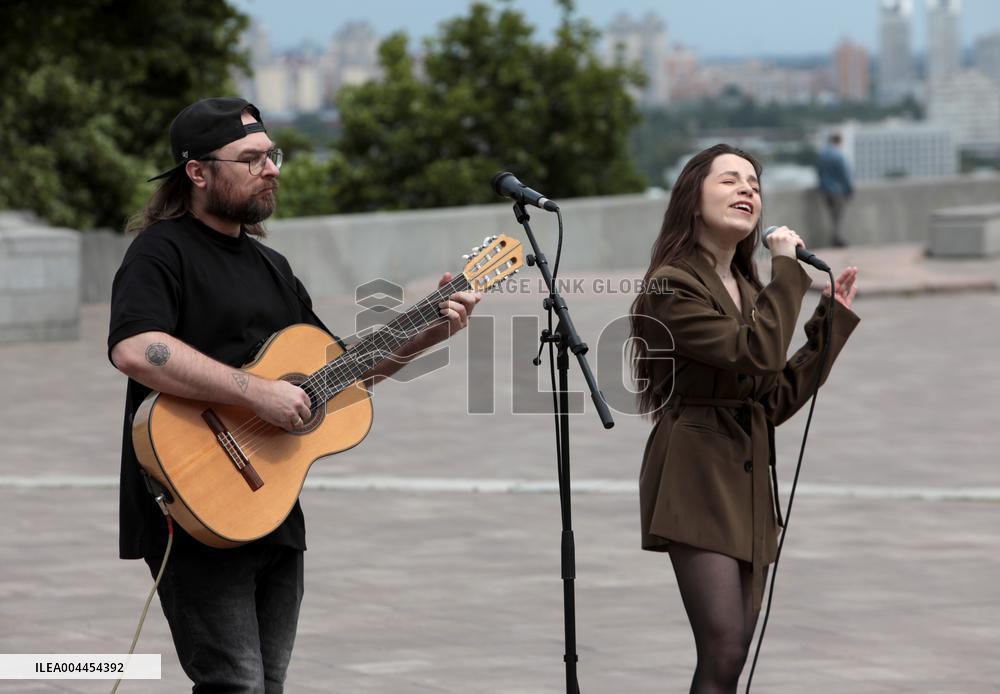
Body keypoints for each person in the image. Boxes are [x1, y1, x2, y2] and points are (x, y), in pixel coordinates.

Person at [108, 97, 481, 692]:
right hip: (190, 498)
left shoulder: (272, 266)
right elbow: (136, 348)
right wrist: (257, 393)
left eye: (272, 155)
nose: (271, 169)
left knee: (268, 685)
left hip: (271, 505)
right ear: (197, 172)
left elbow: (339, 377)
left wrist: (428, 332)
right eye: (251, 159)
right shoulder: (161, 251)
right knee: (236, 684)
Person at [629, 144, 860, 693]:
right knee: (724, 648)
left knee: (731, 660)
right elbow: (754, 351)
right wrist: (788, 269)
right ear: (693, 199)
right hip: (695, 472)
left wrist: (829, 327)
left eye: (754, 184)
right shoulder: (671, 284)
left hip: (748, 475)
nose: (747, 191)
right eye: (730, 180)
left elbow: (771, 399)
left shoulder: (751, 289)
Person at [816, 132, 854, 248]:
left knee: (831, 215)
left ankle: (835, 238)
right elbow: (844, 174)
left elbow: (819, 172)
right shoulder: (839, 155)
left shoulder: (822, 154)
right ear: (839, 141)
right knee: (838, 216)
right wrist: (849, 189)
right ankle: (837, 239)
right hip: (838, 190)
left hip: (825, 190)